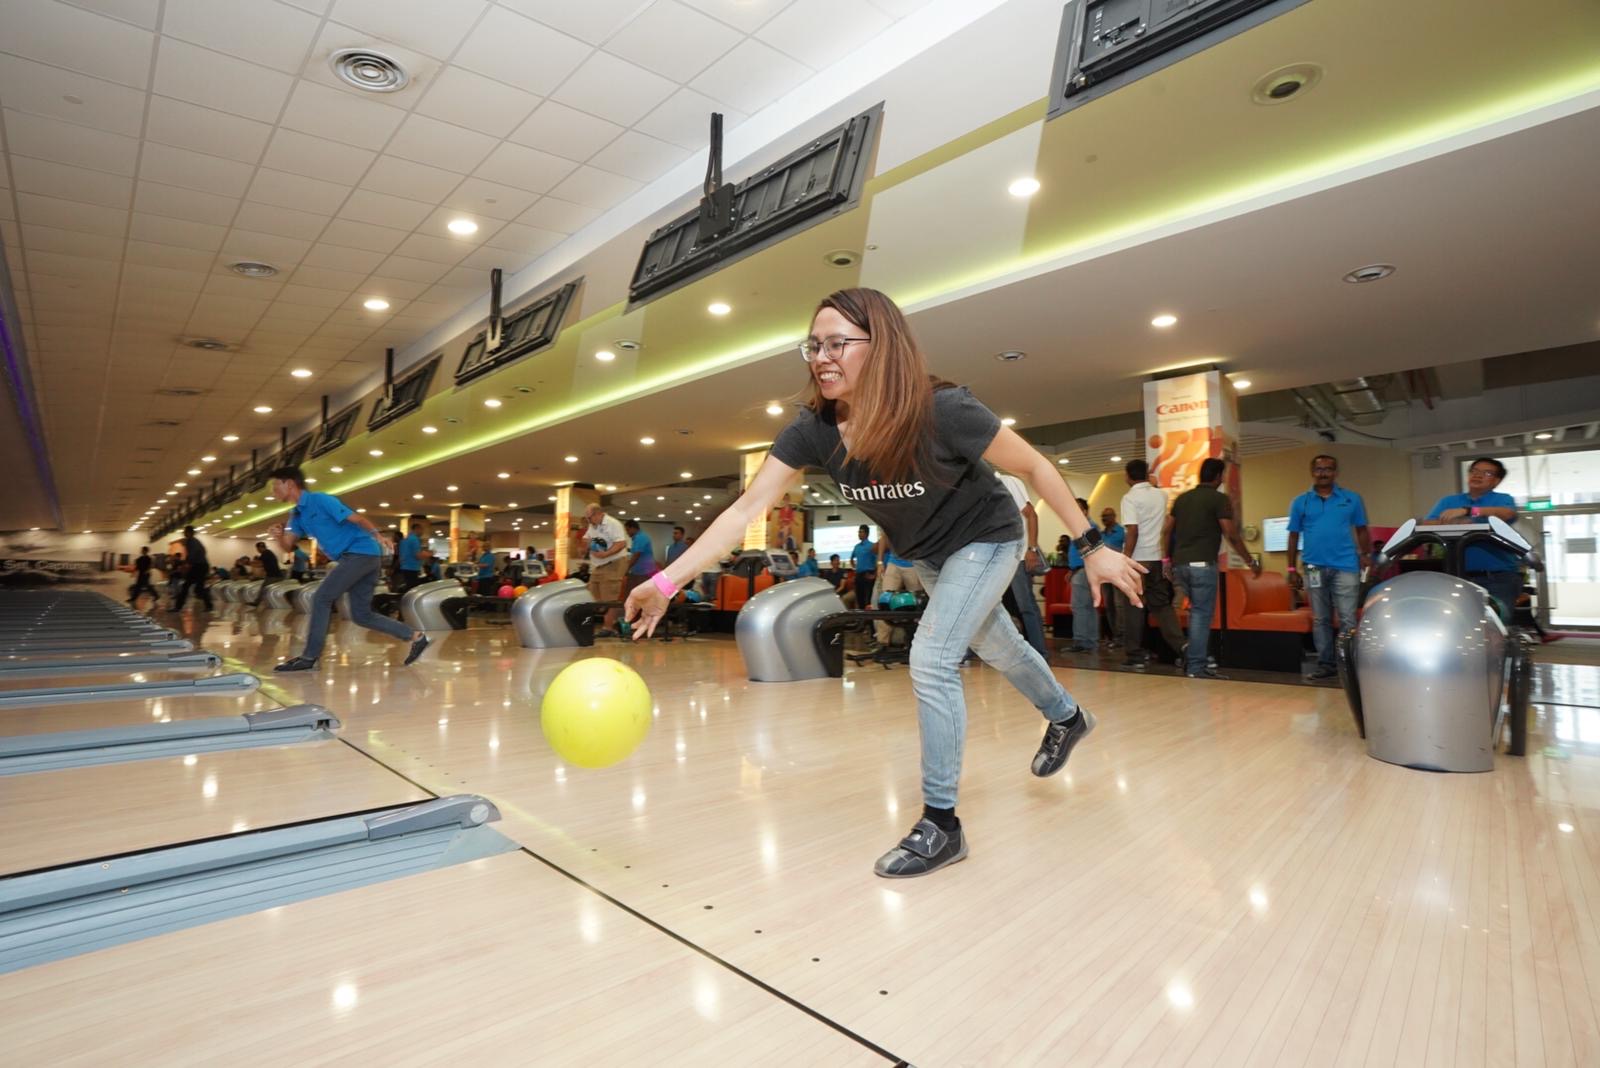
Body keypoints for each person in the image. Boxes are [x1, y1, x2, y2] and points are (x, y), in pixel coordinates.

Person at [625, 287, 1144, 878]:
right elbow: (746, 512)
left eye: (838, 344)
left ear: (882, 346)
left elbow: (1033, 466)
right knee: (996, 644)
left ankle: (942, 825)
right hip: (928, 554)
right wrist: (666, 582)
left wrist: (1092, 546)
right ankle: (1067, 716)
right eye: (814, 345)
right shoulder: (814, 428)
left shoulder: (941, 408)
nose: (822, 357)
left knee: (931, 659)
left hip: (987, 537)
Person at [265, 465, 428, 672]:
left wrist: (377, 535)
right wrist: (279, 536)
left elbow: (357, 518)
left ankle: (309, 657)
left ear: (289, 483)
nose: (273, 491)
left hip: (361, 553)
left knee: (321, 598)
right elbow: (288, 546)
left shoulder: (321, 500)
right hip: (355, 558)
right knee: (361, 615)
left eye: (275, 485)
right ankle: (416, 637)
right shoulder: (296, 514)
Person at [1166, 457, 1260, 679]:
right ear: (1219, 477)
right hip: (1202, 565)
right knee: (1200, 615)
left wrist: (1166, 561)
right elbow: (1231, 534)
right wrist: (1250, 561)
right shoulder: (1219, 499)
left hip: (1180, 565)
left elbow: (1166, 530)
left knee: (1193, 614)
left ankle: (1194, 661)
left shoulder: (1182, 499)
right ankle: (1196, 667)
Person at [1286, 454, 1372, 680]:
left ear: (1335, 472)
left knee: (1347, 617)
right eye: (1319, 469)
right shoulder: (1300, 502)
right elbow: (1293, 536)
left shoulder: (1352, 499)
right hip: (1313, 567)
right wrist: (1291, 569)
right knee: (1321, 618)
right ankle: (1326, 664)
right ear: (1312, 472)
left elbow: (1362, 529)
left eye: (1328, 469)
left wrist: (1366, 555)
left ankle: (1349, 664)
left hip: (1346, 565)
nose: (1323, 472)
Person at [1422, 456, 1521, 620]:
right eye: (1474, 471)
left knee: (1497, 628)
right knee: (1462, 625)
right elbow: (1427, 524)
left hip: (1498, 577)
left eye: (1487, 473)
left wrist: (1469, 512)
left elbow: (1507, 514)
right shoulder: (1448, 501)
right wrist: (1461, 522)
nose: (1478, 475)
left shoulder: (1503, 499)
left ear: (1496, 481)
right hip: (1458, 576)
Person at [1118, 459, 1185, 668]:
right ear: (1147, 475)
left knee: (1133, 606)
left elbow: (1132, 531)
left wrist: (1125, 559)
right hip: (1157, 558)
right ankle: (1182, 647)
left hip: (1137, 559)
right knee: (1162, 606)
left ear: (1128, 476)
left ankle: (1136, 655)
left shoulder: (1129, 498)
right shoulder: (1161, 495)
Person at [993, 471, 1050, 660]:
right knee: (990, 606)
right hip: (995, 558)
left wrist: (1031, 548)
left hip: (1018, 556)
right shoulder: (976, 488)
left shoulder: (1007, 481)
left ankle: (1040, 653)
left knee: (1026, 605)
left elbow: (1031, 514)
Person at [582, 503, 629, 635]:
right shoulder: (593, 525)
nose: (588, 521)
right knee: (593, 594)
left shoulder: (613, 524)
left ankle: (608, 627)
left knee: (609, 597)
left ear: (598, 514)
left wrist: (605, 553)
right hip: (599, 565)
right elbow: (586, 538)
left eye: (589, 518)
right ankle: (605, 623)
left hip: (614, 562)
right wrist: (586, 544)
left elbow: (621, 543)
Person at [873, 537, 926, 648]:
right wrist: (880, 562)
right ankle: (882, 643)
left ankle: (914, 643)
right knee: (885, 602)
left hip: (914, 564)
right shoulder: (894, 520)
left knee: (916, 605)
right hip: (894, 563)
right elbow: (884, 537)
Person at [1063, 497, 1099, 653]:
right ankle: (1090, 641)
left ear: (1084, 511)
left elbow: (1092, 551)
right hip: (1082, 569)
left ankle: (1081, 641)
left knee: (1079, 607)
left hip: (1084, 570)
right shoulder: (1084, 526)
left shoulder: (1087, 527)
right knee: (1088, 607)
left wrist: (1077, 569)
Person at [1097, 508, 1126, 641]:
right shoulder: (1101, 534)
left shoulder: (1122, 532)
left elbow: (1126, 550)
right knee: (1109, 605)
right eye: (1103, 516)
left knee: (1119, 604)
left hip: (1118, 571)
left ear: (1114, 516)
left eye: (1107, 516)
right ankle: (1116, 636)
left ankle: (1123, 636)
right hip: (1104, 572)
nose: (1104, 519)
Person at [171, 526, 213, 611]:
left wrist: (187, 563)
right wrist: (188, 562)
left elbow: (193, 554)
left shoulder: (192, 541)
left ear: (189, 532)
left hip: (199, 566)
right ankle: (209, 606)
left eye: (185, 532)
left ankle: (178, 607)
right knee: (192, 587)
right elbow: (202, 552)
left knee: (189, 587)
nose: (184, 533)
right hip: (200, 566)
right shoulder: (194, 541)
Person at [622, 519, 657, 597]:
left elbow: (636, 555)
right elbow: (636, 552)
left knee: (635, 595)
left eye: (627, 530)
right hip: (640, 572)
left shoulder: (640, 537)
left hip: (644, 573)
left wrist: (626, 569)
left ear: (633, 528)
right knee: (631, 594)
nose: (627, 533)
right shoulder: (639, 537)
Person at [849, 524, 877, 613]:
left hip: (868, 574)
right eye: (859, 532)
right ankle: (863, 621)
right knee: (859, 598)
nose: (859, 534)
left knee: (868, 599)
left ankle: (870, 622)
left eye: (861, 532)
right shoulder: (856, 547)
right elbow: (851, 559)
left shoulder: (872, 546)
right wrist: (855, 567)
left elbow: (878, 560)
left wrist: (875, 574)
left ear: (866, 534)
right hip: (859, 575)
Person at [395, 517, 426, 592]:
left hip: (404, 567)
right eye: (422, 530)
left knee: (408, 588)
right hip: (412, 568)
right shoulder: (415, 540)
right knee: (413, 590)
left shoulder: (405, 540)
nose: (422, 532)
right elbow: (418, 556)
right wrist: (428, 554)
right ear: (417, 529)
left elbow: (400, 556)